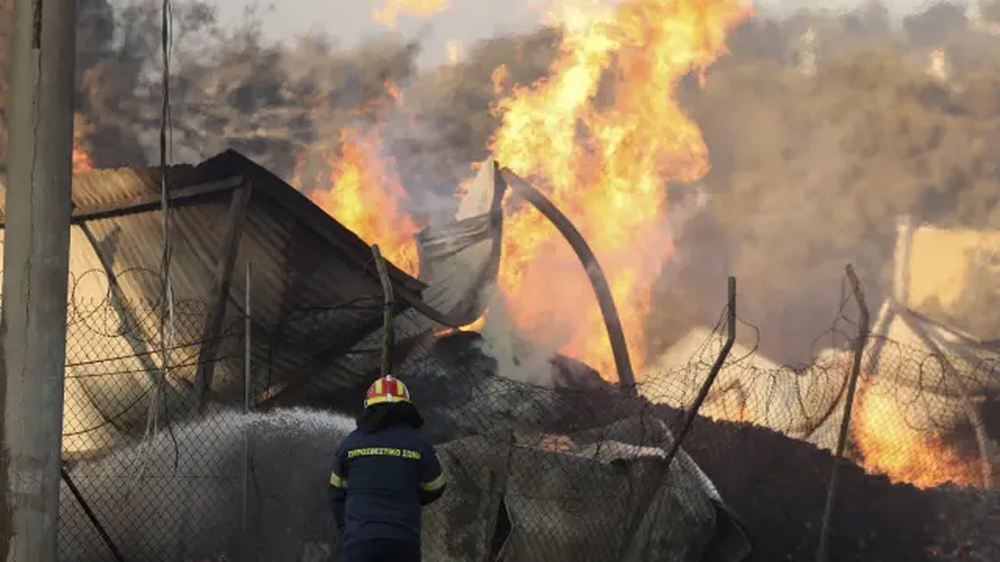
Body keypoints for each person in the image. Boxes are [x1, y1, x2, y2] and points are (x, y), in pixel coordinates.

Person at [329, 375, 446, 562]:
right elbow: (436, 486)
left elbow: (336, 492)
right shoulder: (419, 444)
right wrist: (411, 495)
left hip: (359, 542)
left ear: (369, 407)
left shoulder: (351, 443)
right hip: (403, 541)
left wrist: (347, 529)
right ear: (407, 409)